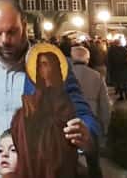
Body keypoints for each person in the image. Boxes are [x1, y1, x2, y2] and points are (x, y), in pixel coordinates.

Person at [0, 0, 98, 178]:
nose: (5, 40)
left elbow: (84, 115)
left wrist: (85, 133)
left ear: (24, 26)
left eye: (12, 32)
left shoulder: (50, 63)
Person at [9, 48, 78, 178]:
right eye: (39, 64)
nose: (41, 68)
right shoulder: (36, 93)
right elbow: (23, 123)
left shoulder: (63, 96)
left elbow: (62, 126)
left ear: (54, 67)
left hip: (54, 157)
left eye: (45, 64)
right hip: (34, 157)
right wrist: (23, 113)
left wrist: (36, 115)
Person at [71, 46, 111, 178]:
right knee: (93, 162)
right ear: (87, 60)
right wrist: (104, 127)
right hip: (91, 124)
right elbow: (104, 104)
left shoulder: (63, 75)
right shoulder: (96, 76)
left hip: (68, 123)